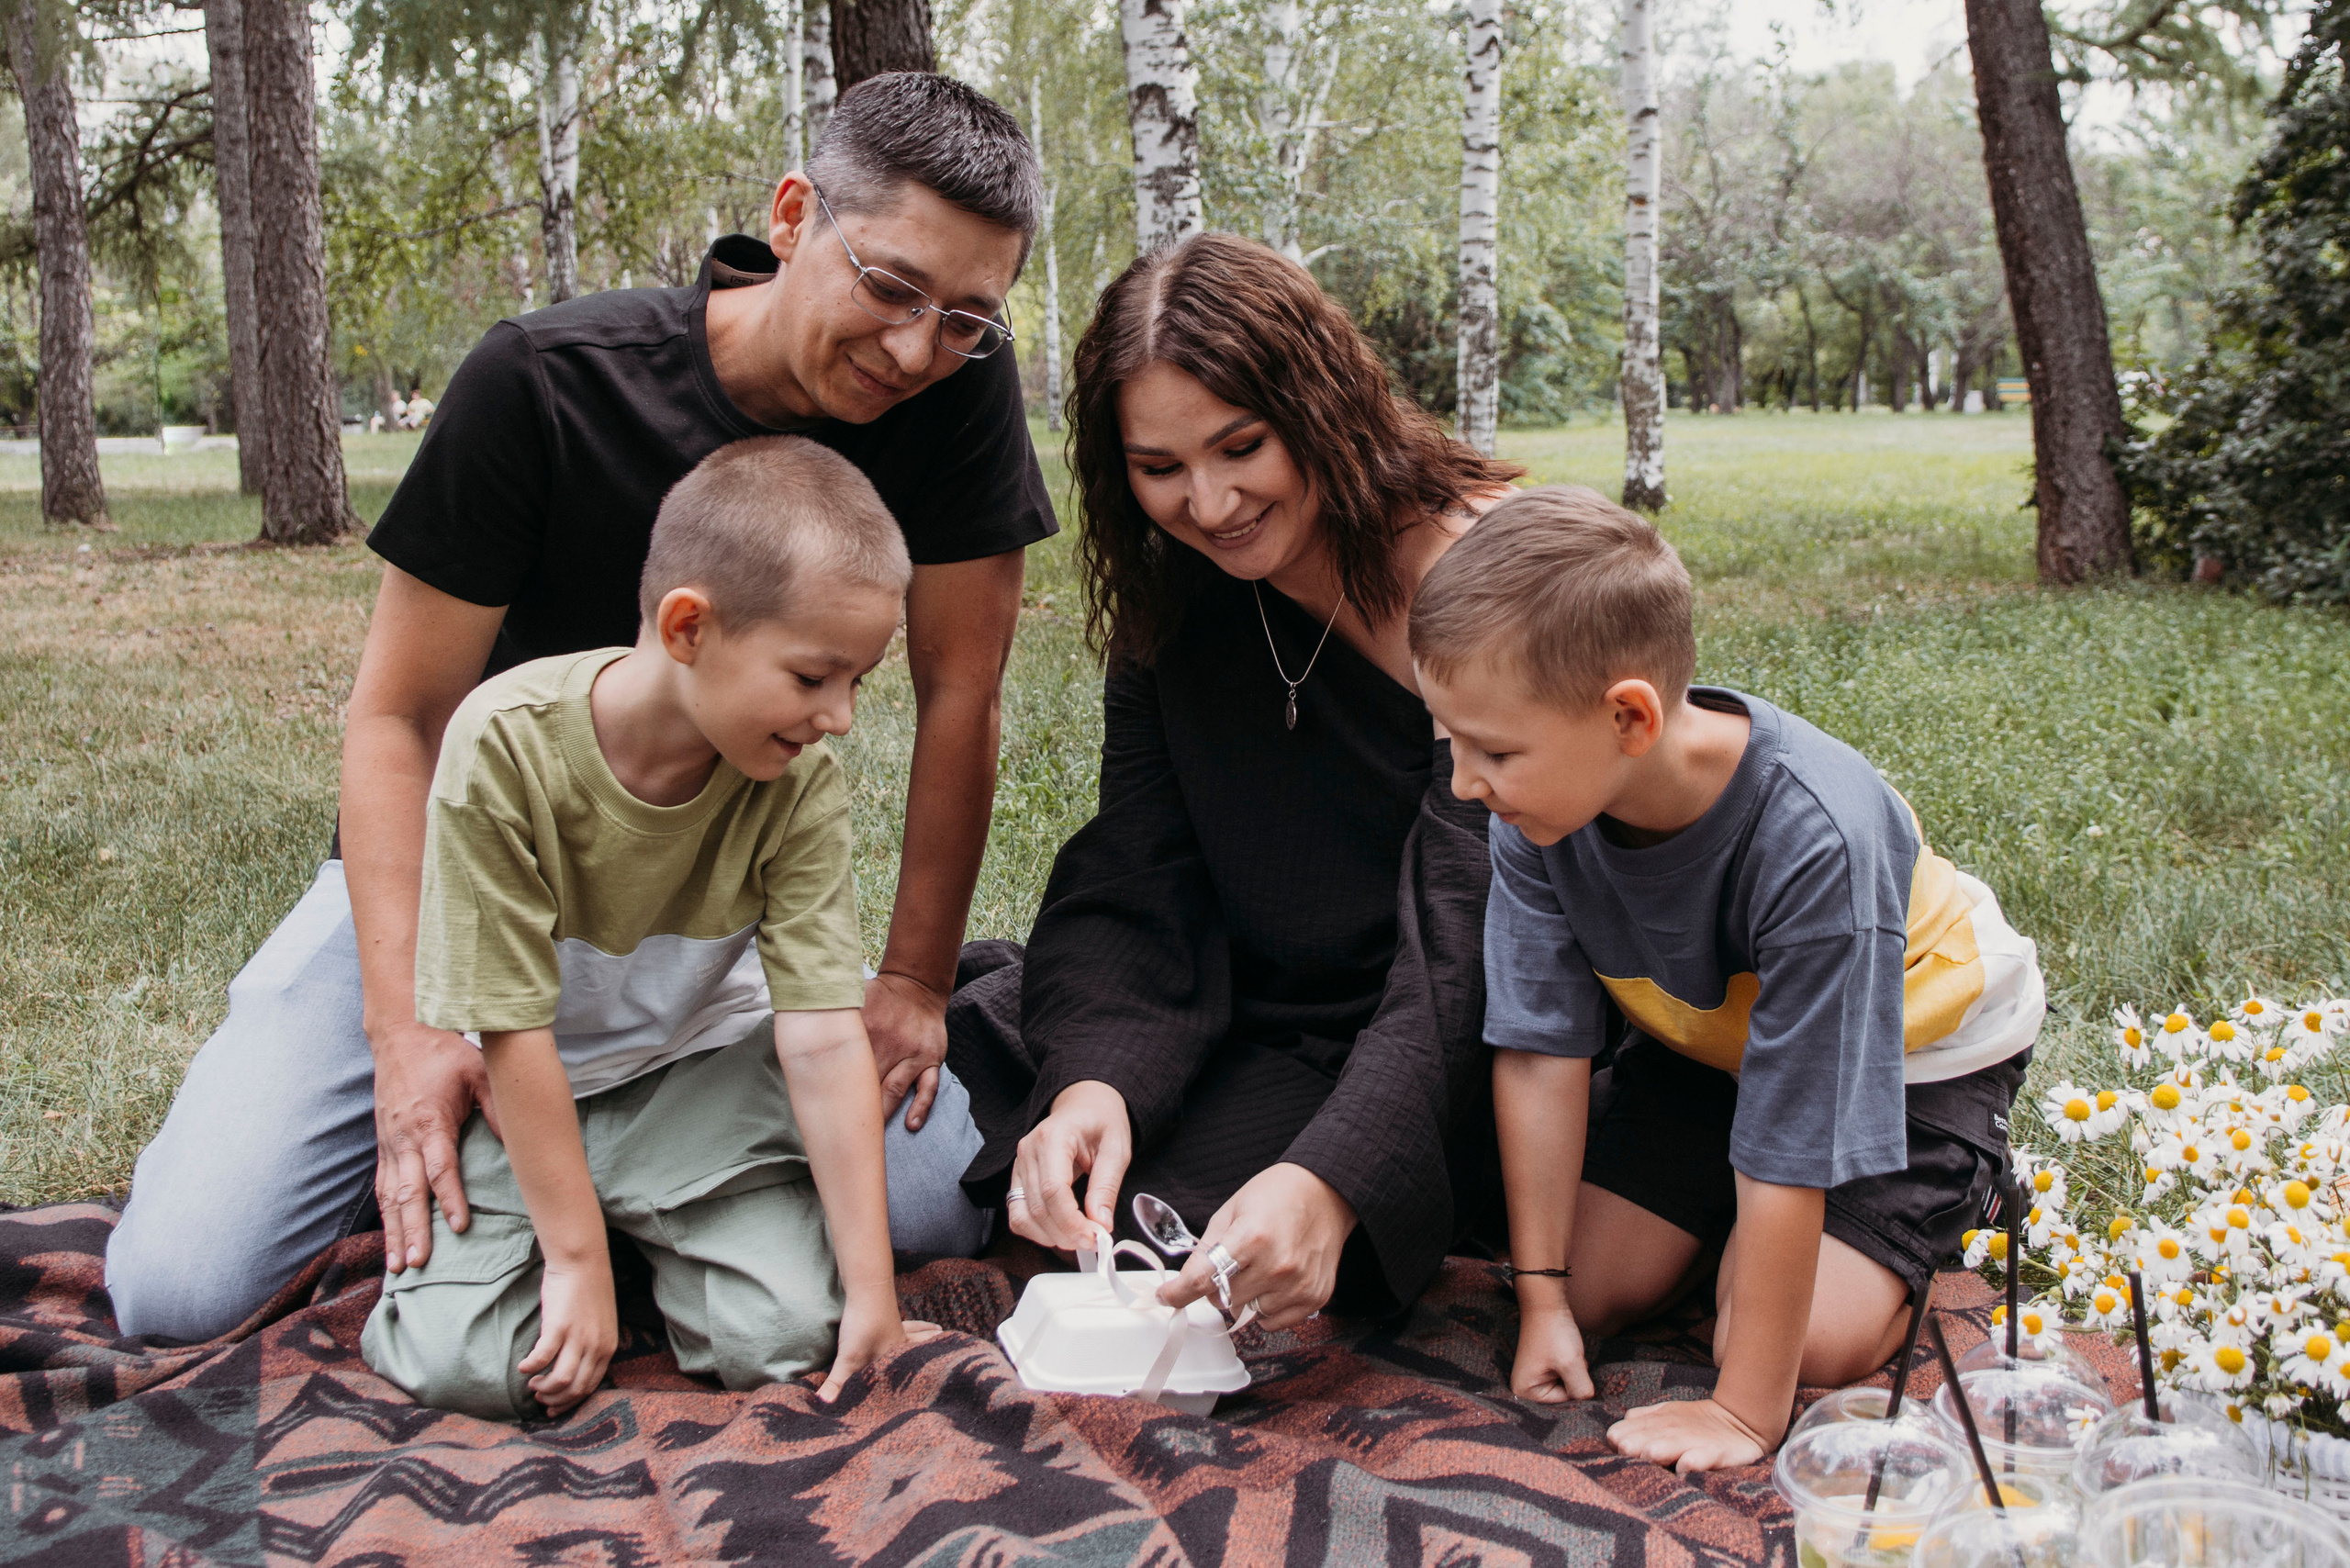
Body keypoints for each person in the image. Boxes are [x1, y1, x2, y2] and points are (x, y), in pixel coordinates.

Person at [107, 72, 1055, 1343]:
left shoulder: (955, 392)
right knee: (180, 1286)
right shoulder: (543, 384)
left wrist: (913, 984)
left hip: (716, 925)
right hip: (463, 893)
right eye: (888, 288)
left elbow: (962, 694)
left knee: (931, 1203)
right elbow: (396, 721)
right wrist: (407, 1031)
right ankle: (568, 1181)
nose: (912, 350)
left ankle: (592, 1181)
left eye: (963, 319)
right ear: (792, 215)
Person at [945, 233, 1519, 1328]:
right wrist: (1094, 1085)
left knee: (1251, 1254)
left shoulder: (1483, 578)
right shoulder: (1177, 602)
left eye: (1240, 446)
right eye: (1158, 468)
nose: (1208, 506)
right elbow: (1144, 873)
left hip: (1483, 1029)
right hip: (1271, 1016)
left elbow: (1470, 937)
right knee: (1103, 1221)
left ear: (1321, 406)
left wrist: (1335, 1178)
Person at [1410, 487, 2045, 1473]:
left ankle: (1959, 1192)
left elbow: (1790, 1142)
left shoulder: (1816, 837)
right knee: (1586, 1288)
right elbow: (1539, 1047)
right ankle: (1738, 1239)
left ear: (1628, 716)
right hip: (1715, 1043)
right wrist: (1540, 1296)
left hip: (1912, 1059)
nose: (1463, 783)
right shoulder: (1533, 812)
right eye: (1452, 744)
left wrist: (1747, 1413)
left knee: (1808, 1345)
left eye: (1492, 751)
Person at [363, 436, 910, 1420]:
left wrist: (874, 1295)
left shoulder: (797, 782)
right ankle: (597, 1239)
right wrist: (574, 1260)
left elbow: (823, 1033)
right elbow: (512, 1028)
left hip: (696, 1086)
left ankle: (654, 1234)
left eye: (858, 682)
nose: (839, 717)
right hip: (529, 1091)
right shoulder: (503, 744)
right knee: (462, 1369)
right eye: (814, 676)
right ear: (690, 627)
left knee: (782, 1338)